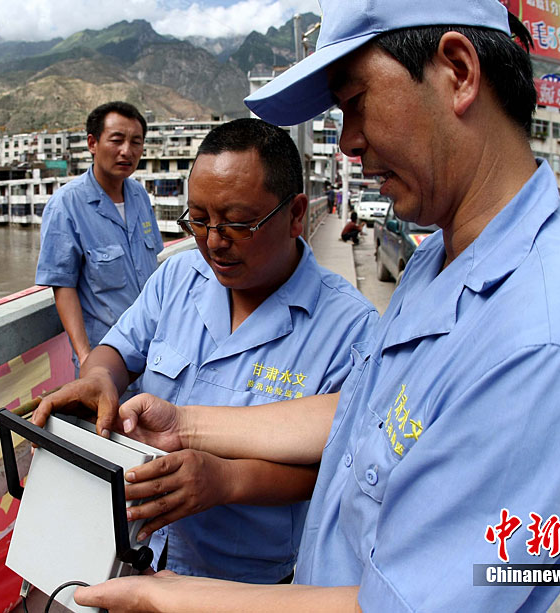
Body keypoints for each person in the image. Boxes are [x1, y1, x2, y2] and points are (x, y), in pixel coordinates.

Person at [70, 0, 560, 611]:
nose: (349, 141)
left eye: (356, 102)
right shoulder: (441, 260)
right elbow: (368, 413)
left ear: (459, 72)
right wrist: (187, 424)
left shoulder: (546, 340)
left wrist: (172, 599)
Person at [33, 118, 377, 584]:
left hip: (240, 580)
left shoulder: (350, 327)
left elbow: (335, 468)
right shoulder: (178, 277)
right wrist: (98, 380)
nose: (214, 242)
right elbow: (117, 350)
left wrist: (226, 481)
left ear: (296, 214)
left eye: (238, 223)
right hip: (135, 549)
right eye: (198, 220)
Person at [35, 101, 164, 374]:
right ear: (92, 143)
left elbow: (153, 267)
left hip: (154, 349)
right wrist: (86, 358)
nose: (127, 151)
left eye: (136, 142)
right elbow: (63, 286)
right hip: (107, 359)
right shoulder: (66, 205)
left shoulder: (140, 196)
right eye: (116, 140)